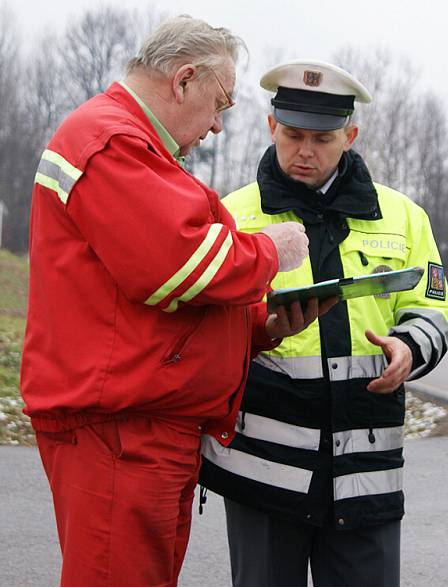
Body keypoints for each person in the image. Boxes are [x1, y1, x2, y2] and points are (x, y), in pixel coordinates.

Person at [20, 16, 324, 587]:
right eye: (219, 104)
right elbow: (177, 265)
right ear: (184, 79)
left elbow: (151, 298)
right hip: (123, 429)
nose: (215, 126)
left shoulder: (125, 143)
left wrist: (260, 325)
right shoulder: (114, 142)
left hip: (136, 425)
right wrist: (269, 251)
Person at [200, 59, 448, 587]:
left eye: (322, 138)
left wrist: (409, 348)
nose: (305, 151)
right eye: (292, 135)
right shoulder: (230, 216)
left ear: (351, 135)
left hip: (366, 472)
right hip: (263, 472)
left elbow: (434, 309)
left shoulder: (405, 217)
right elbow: (202, 335)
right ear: (271, 126)